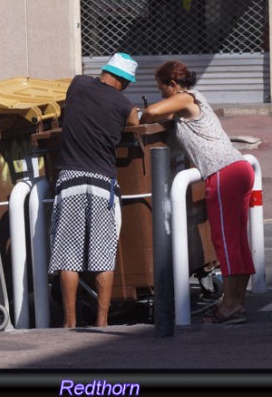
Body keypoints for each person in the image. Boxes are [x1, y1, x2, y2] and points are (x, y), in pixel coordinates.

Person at [140, 60, 255, 324]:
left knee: (225, 242)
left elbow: (152, 112)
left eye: (162, 89)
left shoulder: (185, 98)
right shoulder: (194, 103)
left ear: (172, 84)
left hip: (223, 172)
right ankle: (238, 303)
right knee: (237, 241)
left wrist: (147, 113)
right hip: (239, 169)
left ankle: (229, 306)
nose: (162, 95)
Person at [47, 52, 140, 328]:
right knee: (103, 256)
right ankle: (101, 322)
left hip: (70, 180)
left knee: (68, 256)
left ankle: (70, 322)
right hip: (102, 183)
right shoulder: (124, 105)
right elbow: (135, 123)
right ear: (122, 81)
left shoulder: (78, 85)